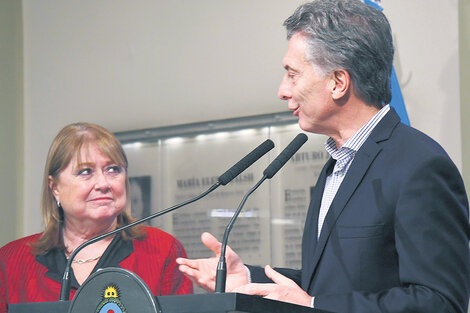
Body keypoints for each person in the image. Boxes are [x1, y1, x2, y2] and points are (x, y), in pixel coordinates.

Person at [176, 1, 470, 312]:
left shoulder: (419, 166)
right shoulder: (337, 165)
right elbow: (328, 286)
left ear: (338, 82)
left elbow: (440, 302)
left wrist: (316, 305)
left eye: (293, 74)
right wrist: (247, 278)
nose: (282, 91)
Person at [0, 122, 193, 313]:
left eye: (113, 169)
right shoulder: (11, 261)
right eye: (86, 172)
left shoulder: (162, 250)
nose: (103, 183)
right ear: (55, 187)